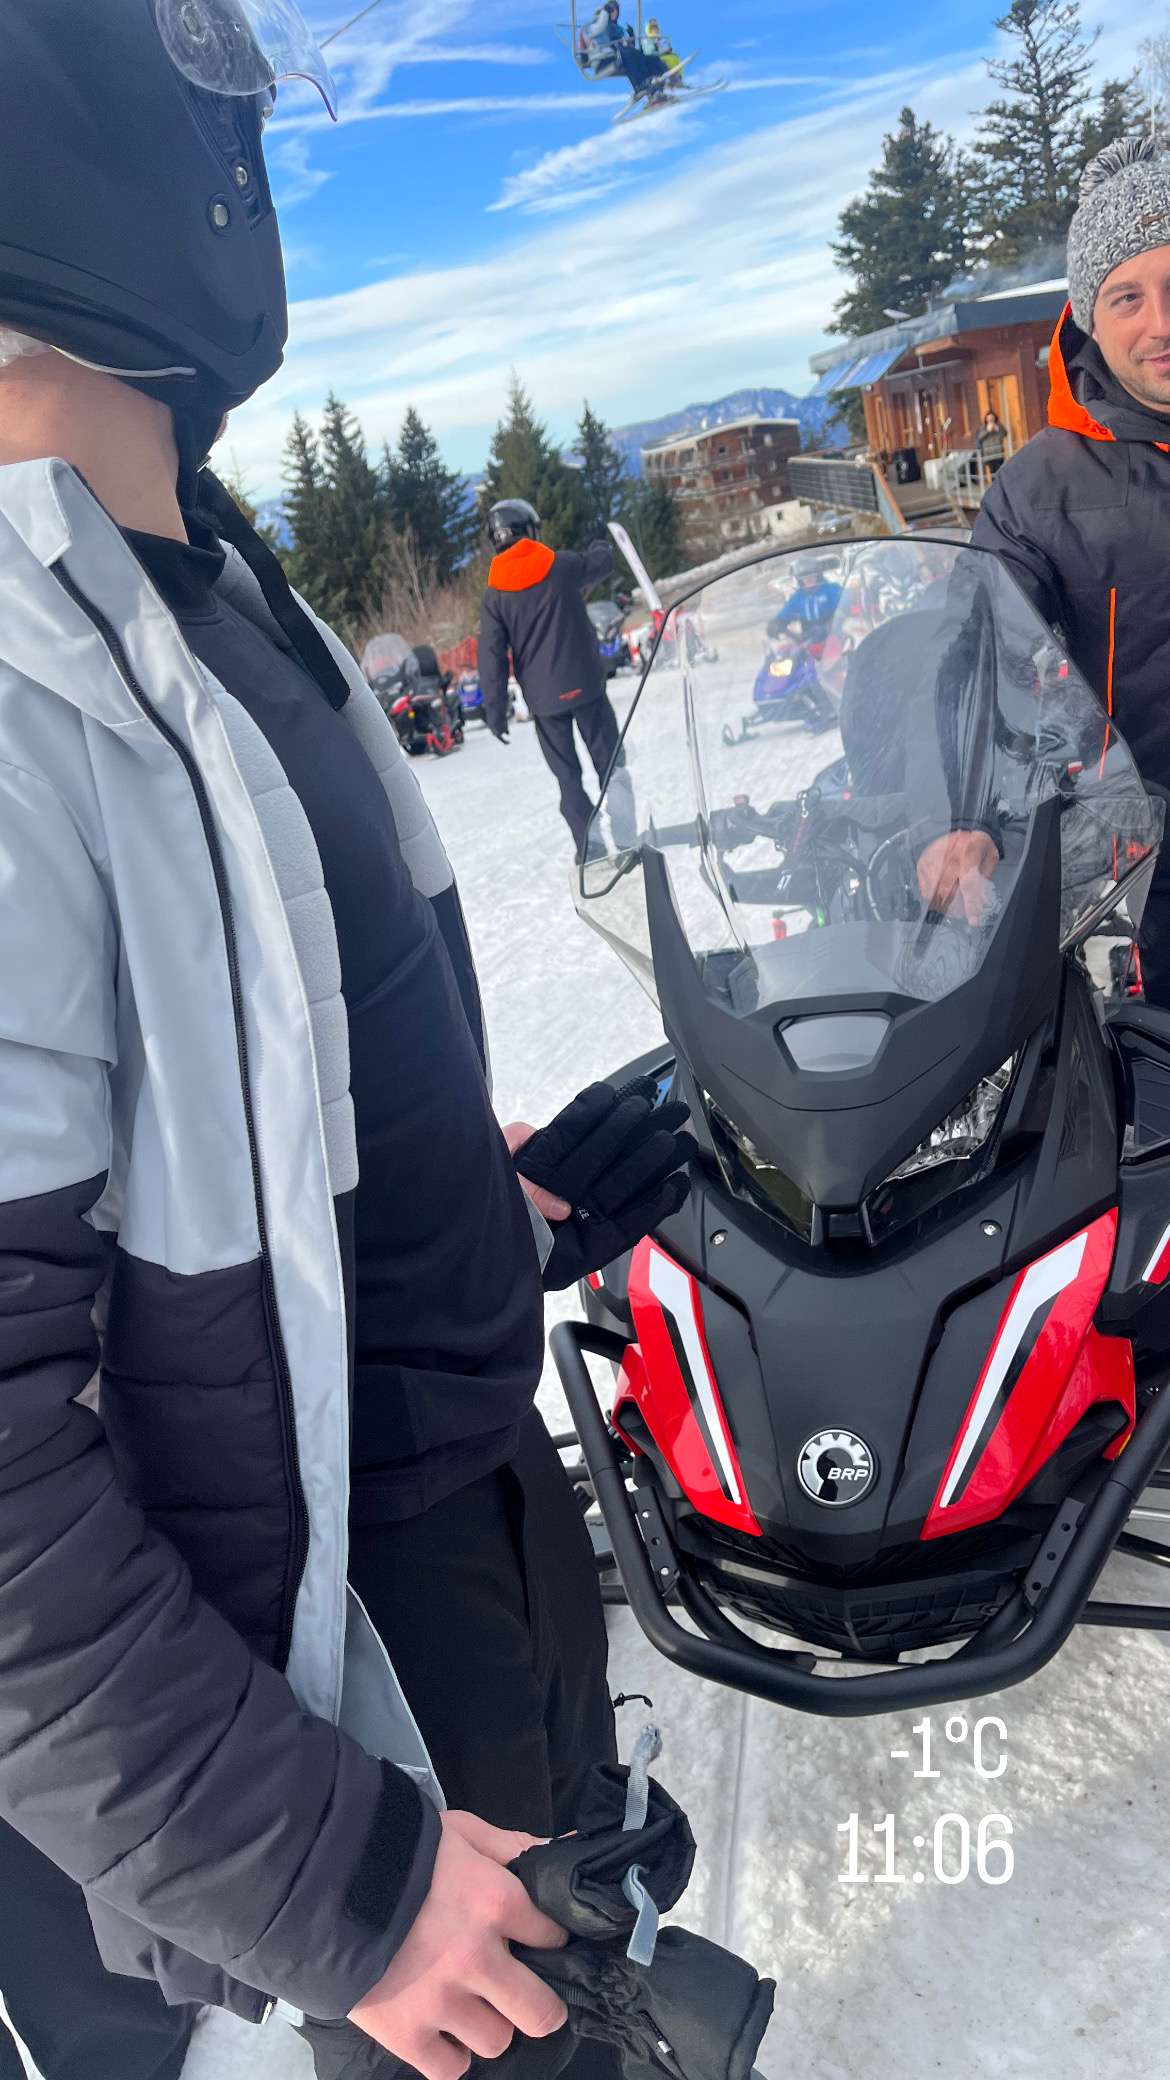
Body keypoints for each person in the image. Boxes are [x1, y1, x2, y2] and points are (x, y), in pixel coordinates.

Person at [0, 8, 692, 2080]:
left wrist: (470, 1193)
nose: (237, 112)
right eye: (198, 61)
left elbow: (249, 1077)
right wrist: (329, 1878)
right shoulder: (19, 685)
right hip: (305, 1688)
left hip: (460, 1501)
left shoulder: (201, 585)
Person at [967, 133, 1170, 997]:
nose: (1161, 323)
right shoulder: (1037, 493)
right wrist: (964, 818)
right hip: (1137, 893)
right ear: (1089, 315)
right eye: (1128, 296)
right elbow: (978, 665)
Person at [479, 502, 637, 861]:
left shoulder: (494, 595)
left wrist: (495, 709)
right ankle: (628, 840)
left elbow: (491, 656)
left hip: (545, 700)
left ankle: (590, 849)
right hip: (587, 686)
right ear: (529, 530)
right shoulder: (560, 565)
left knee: (568, 777)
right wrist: (600, 542)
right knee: (611, 765)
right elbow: (601, 563)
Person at [766, 557, 843, 642]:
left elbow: (843, 608)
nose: (808, 579)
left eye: (812, 575)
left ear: (818, 574)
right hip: (809, 639)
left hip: (834, 635)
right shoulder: (797, 598)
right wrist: (776, 623)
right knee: (789, 649)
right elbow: (786, 613)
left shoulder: (831, 589)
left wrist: (828, 626)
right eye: (804, 577)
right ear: (799, 579)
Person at [976, 408, 1007, 480]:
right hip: (989, 454)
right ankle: (995, 485)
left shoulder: (999, 426)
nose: (990, 419)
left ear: (995, 418)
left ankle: (1001, 485)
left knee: (1000, 471)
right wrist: (988, 431)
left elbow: (1005, 434)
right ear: (986, 419)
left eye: (992, 417)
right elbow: (979, 438)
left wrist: (997, 429)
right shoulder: (983, 427)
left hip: (999, 453)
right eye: (988, 418)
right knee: (993, 472)